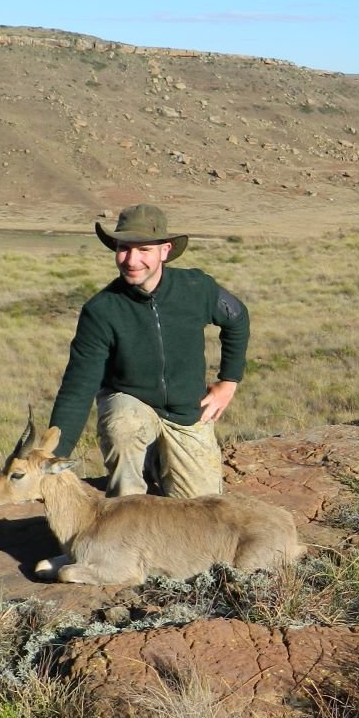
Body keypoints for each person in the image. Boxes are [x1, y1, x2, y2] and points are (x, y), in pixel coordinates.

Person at [47, 203, 247, 498]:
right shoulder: (102, 310)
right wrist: (53, 455)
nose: (131, 260)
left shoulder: (196, 288)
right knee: (123, 425)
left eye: (143, 250)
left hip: (186, 412)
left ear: (165, 251)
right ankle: (126, 514)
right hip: (132, 403)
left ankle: (157, 462)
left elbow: (237, 318)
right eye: (124, 248)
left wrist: (228, 382)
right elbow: (78, 386)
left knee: (201, 509)